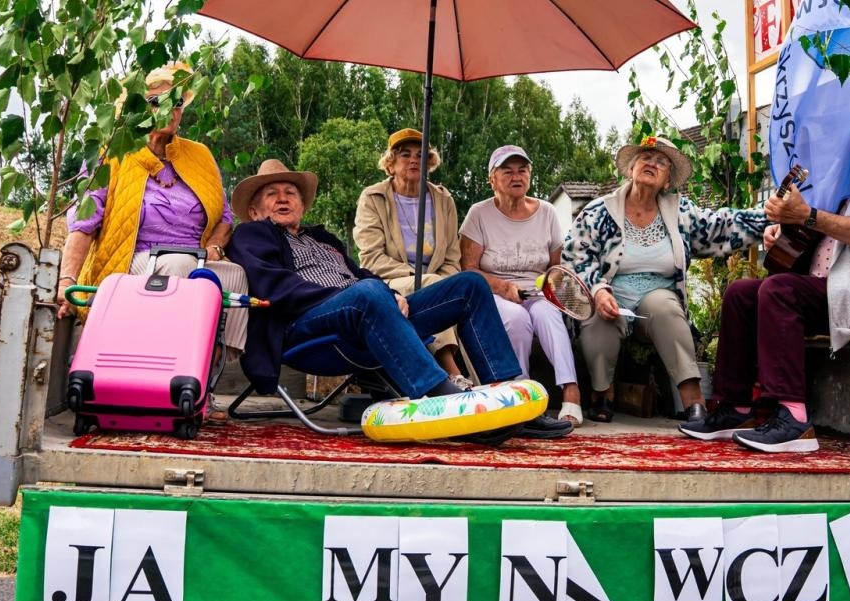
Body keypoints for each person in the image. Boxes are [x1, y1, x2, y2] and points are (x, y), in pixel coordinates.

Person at [228, 158, 575, 439]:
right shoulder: (251, 235)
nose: (283, 198)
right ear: (256, 211)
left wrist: (392, 293)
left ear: (303, 205)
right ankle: (442, 400)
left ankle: (511, 400)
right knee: (367, 292)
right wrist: (365, 293)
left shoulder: (323, 240)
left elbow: (363, 275)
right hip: (308, 326)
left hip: (367, 315)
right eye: (272, 194)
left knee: (468, 284)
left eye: (290, 192)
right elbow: (274, 287)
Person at [687, 184, 850, 453]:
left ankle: (794, 418)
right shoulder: (842, 179)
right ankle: (736, 408)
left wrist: (807, 216)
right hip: (830, 288)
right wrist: (784, 233)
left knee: (779, 291)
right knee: (740, 294)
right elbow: (818, 230)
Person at [563, 136, 765, 424]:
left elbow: (722, 226)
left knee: (667, 310)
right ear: (631, 168)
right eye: (646, 157)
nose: (652, 164)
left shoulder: (680, 212)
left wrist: (769, 218)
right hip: (610, 294)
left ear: (668, 180)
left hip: (657, 295)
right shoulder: (599, 211)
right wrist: (598, 290)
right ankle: (602, 393)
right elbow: (575, 255)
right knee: (599, 319)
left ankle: (694, 402)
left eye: (661, 162)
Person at [56, 64, 250, 356]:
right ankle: (165, 364)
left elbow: (224, 217)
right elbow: (85, 220)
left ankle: (204, 374)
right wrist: (67, 280)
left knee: (235, 275)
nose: (168, 109)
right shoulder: (111, 152)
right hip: (131, 259)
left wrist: (214, 248)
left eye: (176, 102)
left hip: (196, 260)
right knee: (179, 268)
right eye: (155, 101)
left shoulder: (200, 155)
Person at [459, 144, 585, 426]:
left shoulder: (548, 212)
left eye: (522, 170)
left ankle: (571, 392)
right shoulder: (478, 214)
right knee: (517, 319)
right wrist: (503, 287)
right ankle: (522, 398)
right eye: (507, 170)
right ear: (492, 178)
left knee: (548, 315)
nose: (517, 176)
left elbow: (556, 266)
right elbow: (468, 269)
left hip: (537, 290)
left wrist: (552, 289)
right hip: (493, 292)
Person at [352, 128, 470, 383]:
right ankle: (452, 372)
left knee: (468, 290)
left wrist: (443, 281)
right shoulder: (373, 198)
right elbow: (371, 258)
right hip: (388, 283)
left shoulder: (443, 199)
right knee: (438, 286)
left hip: (437, 279)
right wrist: (422, 278)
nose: (415, 160)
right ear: (390, 163)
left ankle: (491, 386)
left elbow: (451, 258)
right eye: (405, 154)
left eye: (421, 154)